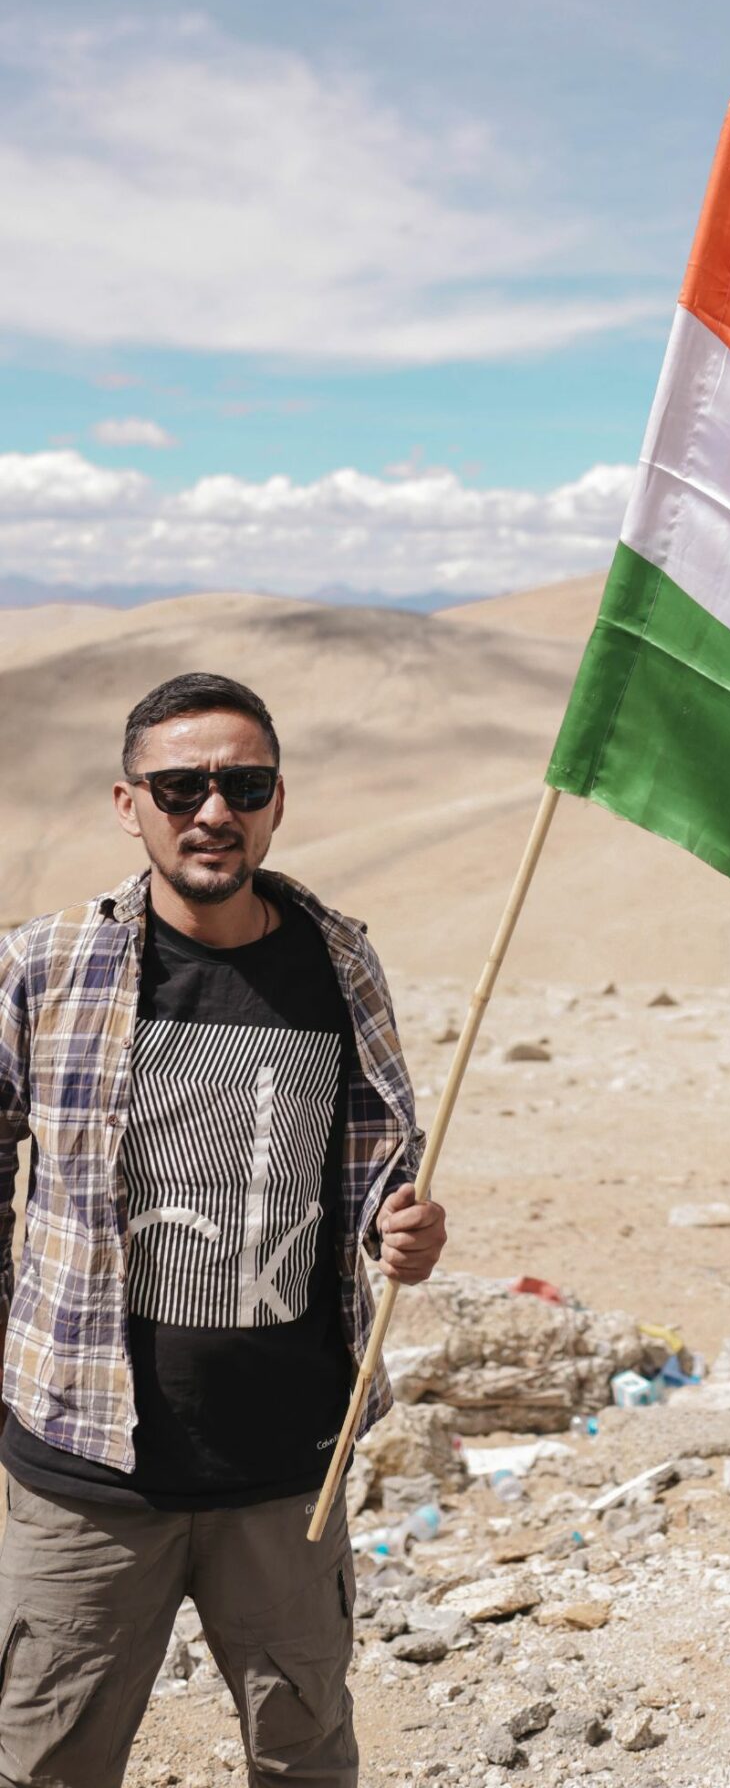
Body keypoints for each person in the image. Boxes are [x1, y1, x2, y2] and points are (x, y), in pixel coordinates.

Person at [0, 671, 446, 1787]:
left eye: (242, 783)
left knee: (303, 1754)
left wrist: (403, 1229)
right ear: (127, 802)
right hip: (85, 1469)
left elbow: (381, 1163)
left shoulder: (338, 962)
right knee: (45, 1761)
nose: (213, 809)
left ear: (276, 800)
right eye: (181, 784)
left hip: (288, 1471)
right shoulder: (46, 966)